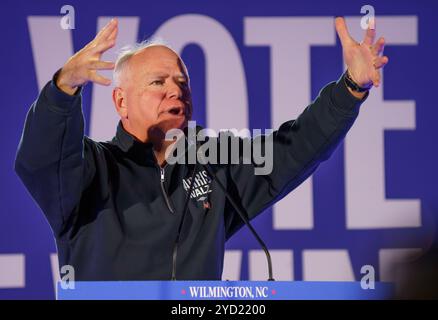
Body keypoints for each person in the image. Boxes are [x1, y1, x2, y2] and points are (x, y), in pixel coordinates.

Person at [14, 17, 388, 280]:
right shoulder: (92, 170)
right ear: (120, 102)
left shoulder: (213, 168)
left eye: (182, 82)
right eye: (157, 82)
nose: (176, 90)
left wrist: (351, 88)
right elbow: (42, 159)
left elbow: (293, 150)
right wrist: (63, 88)